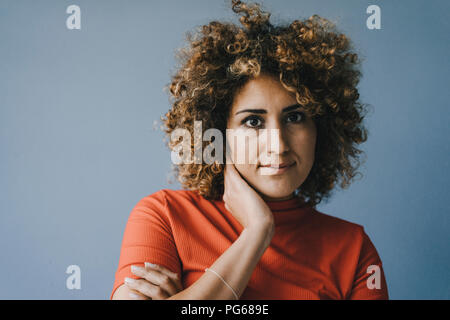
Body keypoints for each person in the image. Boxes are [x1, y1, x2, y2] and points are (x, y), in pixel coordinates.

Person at [110, 0, 388, 300]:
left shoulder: (355, 250)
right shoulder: (164, 216)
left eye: (295, 117)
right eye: (253, 121)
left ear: (321, 127)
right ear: (217, 131)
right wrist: (257, 232)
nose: (278, 144)